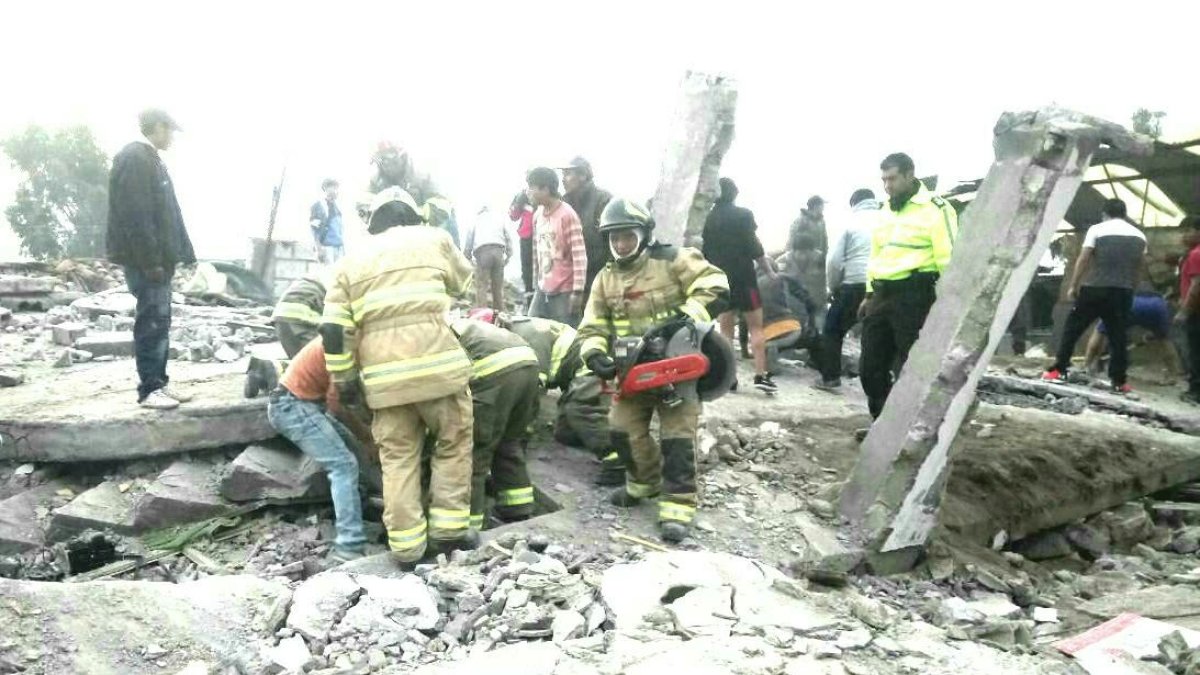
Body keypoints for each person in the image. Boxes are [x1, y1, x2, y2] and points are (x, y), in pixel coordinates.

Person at [320, 186, 476, 566]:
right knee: (452, 442)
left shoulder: (349, 262)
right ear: (412, 216)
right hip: (440, 371)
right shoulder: (435, 238)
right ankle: (449, 532)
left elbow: (334, 329)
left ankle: (406, 548)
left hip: (384, 381)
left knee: (398, 458)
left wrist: (344, 379)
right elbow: (463, 282)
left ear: (374, 224)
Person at [577, 198, 729, 543]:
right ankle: (643, 483)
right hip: (632, 371)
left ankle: (678, 506)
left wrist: (685, 318)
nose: (621, 244)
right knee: (621, 431)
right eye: (615, 238)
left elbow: (716, 284)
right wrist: (595, 355)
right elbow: (592, 327)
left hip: (678, 369)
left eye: (628, 236)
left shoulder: (673, 259)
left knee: (677, 438)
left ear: (643, 235)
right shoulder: (605, 279)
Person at [106, 108, 195, 410]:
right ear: (157, 127)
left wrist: (184, 252)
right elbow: (137, 217)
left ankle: (159, 383)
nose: (172, 137)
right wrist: (150, 261)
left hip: (158, 261)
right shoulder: (135, 158)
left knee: (160, 321)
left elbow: (169, 215)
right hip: (148, 262)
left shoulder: (150, 159)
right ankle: (149, 390)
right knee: (151, 322)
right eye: (170, 131)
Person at [859, 153, 958, 419]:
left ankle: (905, 432)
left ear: (910, 175)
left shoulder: (936, 209)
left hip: (914, 295)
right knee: (870, 368)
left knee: (910, 367)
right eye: (883, 180)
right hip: (881, 295)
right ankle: (881, 425)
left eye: (892, 178)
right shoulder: (884, 210)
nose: (887, 185)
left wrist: (948, 303)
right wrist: (869, 293)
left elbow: (948, 258)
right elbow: (876, 254)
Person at [267, 337, 368, 561]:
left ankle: (360, 513)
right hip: (292, 406)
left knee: (354, 453)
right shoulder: (344, 342)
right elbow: (337, 403)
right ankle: (349, 546)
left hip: (304, 403)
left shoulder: (350, 335)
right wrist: (366, 436)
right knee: (344, 464)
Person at [1044, 199, 1147, 393]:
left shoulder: (1097, 230)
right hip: (1122, 292)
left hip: (1095, 289)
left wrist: (1074, 285)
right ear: (1124, 214)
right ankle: (1119, 381)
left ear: (1105, 213)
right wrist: (1131, 290)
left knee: (1072, 329)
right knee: (1118, 337)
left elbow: (1084, 259)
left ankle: (1059, 370)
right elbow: (1139, 267)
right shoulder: (1140, 236)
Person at [450, 317, 541, 530]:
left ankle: (470, 526)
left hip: (493, 371)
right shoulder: (467, 325)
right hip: (528, 363)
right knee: (508, 442)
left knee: (474, 453)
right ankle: (518, 508)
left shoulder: (438, 331)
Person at [702, 177, 778, 393]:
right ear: (734, 193)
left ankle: (730, 377)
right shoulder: (744, 215)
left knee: (726, 331)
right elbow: (755, 247)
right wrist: (769, 271)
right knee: (756, 327)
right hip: (746, 279)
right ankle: (760, 375)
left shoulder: (708, 219)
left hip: (720, 280)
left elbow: (703, 251)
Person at [815, 189, 878, 391]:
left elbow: (833, 261)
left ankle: (830, 378)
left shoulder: (850, 222)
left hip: (855, 284)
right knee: (878, 335)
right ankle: (884, 385)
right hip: (884, 284)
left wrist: (833, 287)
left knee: (833, 330)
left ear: (854, 204)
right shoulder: (889, 219)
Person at [526, 167, 587, 325]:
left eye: (532, 187)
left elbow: (579, 257)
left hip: (564, 290)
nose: (528, 192)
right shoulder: (538, 215)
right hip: (542, 287)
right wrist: (535, 282)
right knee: (532, 327)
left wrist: (577, 291)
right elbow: (536, 251)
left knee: (567, 335)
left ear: (545, 189)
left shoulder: (567, 215)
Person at [1083, 288, 1177, 375]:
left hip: (1129, 306)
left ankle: (1086, 366)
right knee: (1165, 341)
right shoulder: (1158, 300)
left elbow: (1098, 340)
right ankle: (1173, 374)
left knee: (1099, 333)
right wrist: (1154, 335)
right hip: (1158, 307)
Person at [560, 157, 613, 296]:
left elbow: (613, 242)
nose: (563, 179)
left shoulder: (603, 200)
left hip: (597, 277)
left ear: (583, 175)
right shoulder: (563, 203)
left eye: (567, 174)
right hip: (569, 278)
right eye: (563, 175)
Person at [757, 269, 818, 374]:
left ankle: (769, 348)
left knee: (766, 342)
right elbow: (811, 303)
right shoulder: (782, 277)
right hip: (790, 331)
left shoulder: (751, 288)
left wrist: (746, 352)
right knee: (816, 339)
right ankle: (815, 364)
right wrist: (811, 324)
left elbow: (745, 323)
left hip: (765, 336)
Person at [788, 195, 829, 324]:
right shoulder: (801, 221)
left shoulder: (821, 221)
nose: (823, 208)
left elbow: (825, 241)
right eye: (822, 205)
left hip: (816, 261)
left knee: (816, 295)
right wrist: (793, 260)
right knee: (801, 294)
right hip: (800, 261)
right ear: (815, 206)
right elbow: (792, 243)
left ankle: (813, 327)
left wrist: (824, 258)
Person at [464, 206, 512, 310]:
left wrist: (467, 257)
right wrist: (508, 255)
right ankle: (500, 315)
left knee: (482, 287)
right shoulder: (498, 219)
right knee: (498, 289)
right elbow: (508, 237)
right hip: (498, 251)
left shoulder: (475, 221)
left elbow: (469, 240)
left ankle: (482, 315)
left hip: (483, 253)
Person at [272, 273, 328, 358]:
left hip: (280, 318)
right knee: (324, 360)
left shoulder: (316, 277)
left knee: (298, 361)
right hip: (301, 319)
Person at [1175, 215, 1200, 405]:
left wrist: (1184, 310)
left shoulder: (1196, 254)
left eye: (1187, 231)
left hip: (1196, 312)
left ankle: (1196, 391)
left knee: (1195, 351)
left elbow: (1196, 285)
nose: (1183, 236)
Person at [510, 191, 536, 301]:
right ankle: (530, 297)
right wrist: (518, 204)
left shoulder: (545, 191)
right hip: (527, 236)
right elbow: (513, 216)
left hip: (543, 234)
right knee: (527, 269)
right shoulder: (521, 196)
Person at [311, 179, 344, 264]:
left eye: (337, 188)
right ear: (326, 188)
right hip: (327, 248)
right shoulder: (318, 206)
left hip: (339, 249)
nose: (336, 191)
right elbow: (314, 230)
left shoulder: (338, 207)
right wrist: (319, 249)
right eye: (333, 188)